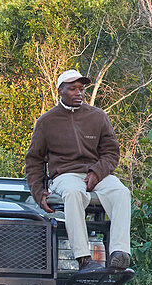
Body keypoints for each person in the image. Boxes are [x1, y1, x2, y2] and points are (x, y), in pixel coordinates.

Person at [25, 69, 131, 272]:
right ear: (60, 91)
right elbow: (34, 160)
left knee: (121, 192)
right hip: (65, 175)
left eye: (81, 89)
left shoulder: (98, 117)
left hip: (96, 173)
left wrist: (97, 173)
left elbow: (111, 153)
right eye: (72, 89)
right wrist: (39, 193)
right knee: (73, 193)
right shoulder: (46, 122)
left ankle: (119, 253)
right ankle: (83, 258)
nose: (78, 93)